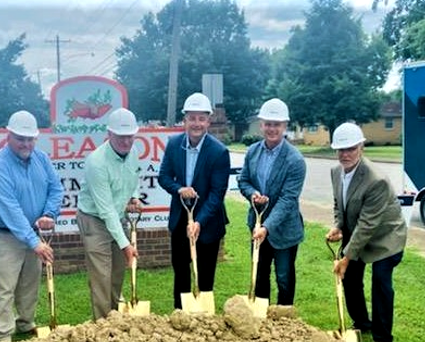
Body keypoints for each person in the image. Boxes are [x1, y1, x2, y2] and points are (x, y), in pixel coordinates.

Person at [326, 122, 407, 342]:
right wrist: (339, 226)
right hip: (359, 233)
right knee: (350, 279)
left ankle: (383, 338)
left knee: (381, 280)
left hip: (386, 236)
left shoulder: (376, 180)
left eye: (351, 148)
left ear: (361, 147)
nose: (345, 154)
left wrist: (347, 257)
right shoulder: (335, 172)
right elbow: (339, 204)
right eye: (341, 149)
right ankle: (362, 323)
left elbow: (368, 224)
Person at [0, 110, 63, 342]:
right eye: (20, 138)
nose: (25, 144)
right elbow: (10, 210)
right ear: (9, 136)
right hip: (6, 235)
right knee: (5, 285)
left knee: (30, 282)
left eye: (30, 139)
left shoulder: (41, 159)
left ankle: (26, 323)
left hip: (34, 233)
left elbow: (56, 189)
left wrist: (49, 213)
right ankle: (3, 336)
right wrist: (34, 242)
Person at [158, 93, 231, 309]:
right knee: (181, 273)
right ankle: (180, 317)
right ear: (185, 120)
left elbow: (217, 194)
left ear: (208, 121)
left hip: (208, 224)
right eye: (192, 118)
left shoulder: (219, 152)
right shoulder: (173, 145)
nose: (196, 124)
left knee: (205, 277)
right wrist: (179, 189)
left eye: (201, 118)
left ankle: (204, 321)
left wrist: (198, 221)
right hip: (181, 221)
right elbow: (163, 177)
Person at [237, 98, 306, 306]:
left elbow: (288, 200)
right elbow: (244, 180)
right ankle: (261, 316)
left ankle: (284, 321)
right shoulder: (252, 152)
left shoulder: (295, 160)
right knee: (259, 273)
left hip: (284, 229)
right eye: (268, 124)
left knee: (284, 278)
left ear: (285, 126)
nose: (272, 129)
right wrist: (252, 195)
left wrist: (267, 227)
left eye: (277, 124)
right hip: (257, 225)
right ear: (261, 125)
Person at [76, 107, 142, 320]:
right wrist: (126, 245)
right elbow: (105, 210)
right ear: (109, 134)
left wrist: (134, 195)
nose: (126, 142)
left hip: (118, 217)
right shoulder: (96, 162)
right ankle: (102, 326)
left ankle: (113, 315)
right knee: (101, 275)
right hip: (94, 220)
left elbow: (132, 179)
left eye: (130, 136)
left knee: (117, 273)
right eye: (121, 137)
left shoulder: (132, 154)